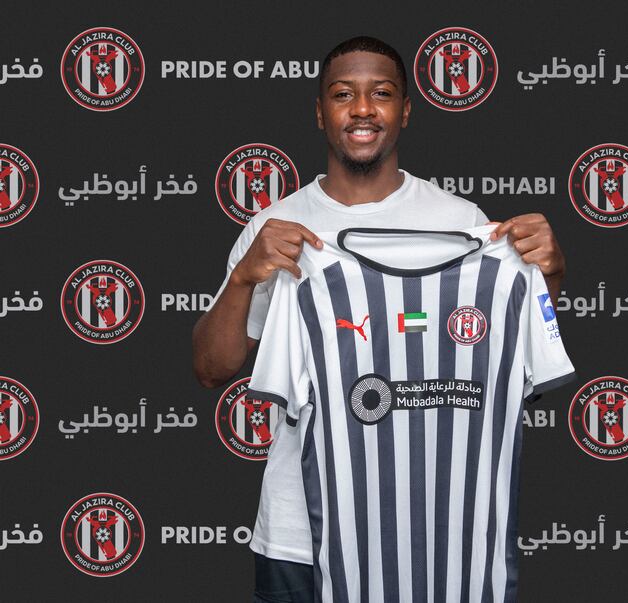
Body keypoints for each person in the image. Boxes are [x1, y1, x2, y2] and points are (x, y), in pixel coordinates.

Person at [193, 36, 566, 603]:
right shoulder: (276, 228)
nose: (363, 108)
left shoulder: (464, 223)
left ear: (405, 110)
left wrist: (546, 276)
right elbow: (211, 369)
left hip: (439, 538)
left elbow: (510, 359)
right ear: (321, 112)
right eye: (344, 94)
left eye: (382, 94)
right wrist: (246, 275)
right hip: (301, 537)